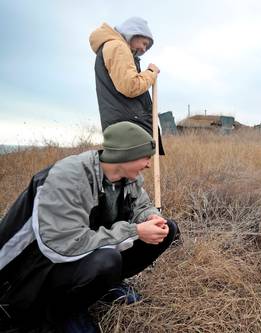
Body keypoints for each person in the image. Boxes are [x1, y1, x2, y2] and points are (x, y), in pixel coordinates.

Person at [0, 122, 178, 332]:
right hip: (34, 268)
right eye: (145, 157)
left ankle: (103, 286)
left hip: (81, 251)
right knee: (107, 260)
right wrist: (135, 231)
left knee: (169, 228)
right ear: (125, 155)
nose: (149, 164)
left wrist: (151, 218)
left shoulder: (127, 177)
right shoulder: (68, 178)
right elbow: (62, 245)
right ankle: (60, 314)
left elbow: (142, 205)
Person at [89, 16, 165, 155]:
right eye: (144, 43)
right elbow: (131, 86)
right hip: (128, 126)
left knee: (127, 173)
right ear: (133, 33)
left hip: (123, 124)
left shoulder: (112, 47)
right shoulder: (118, 47)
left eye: (146, 47)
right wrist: (150, 73)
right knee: (130, 170)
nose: (144, 48)